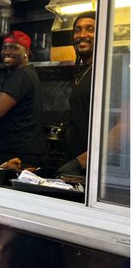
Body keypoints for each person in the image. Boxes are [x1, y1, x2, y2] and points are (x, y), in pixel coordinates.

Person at [0, 31, 45, 166]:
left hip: (18, 156)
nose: (7, 52)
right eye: (4, 47)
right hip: (25, 154)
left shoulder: (21, 74)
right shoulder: (28, 73)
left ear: (26, 53)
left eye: (14, 47)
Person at [59, 13, 96, 174]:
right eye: (77, 30)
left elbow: (123, 126)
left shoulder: (109, 70)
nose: (82, 35)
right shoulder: (83, 71)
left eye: (90, 29)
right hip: (75, 160)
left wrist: (81, 162)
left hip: (91, 166)